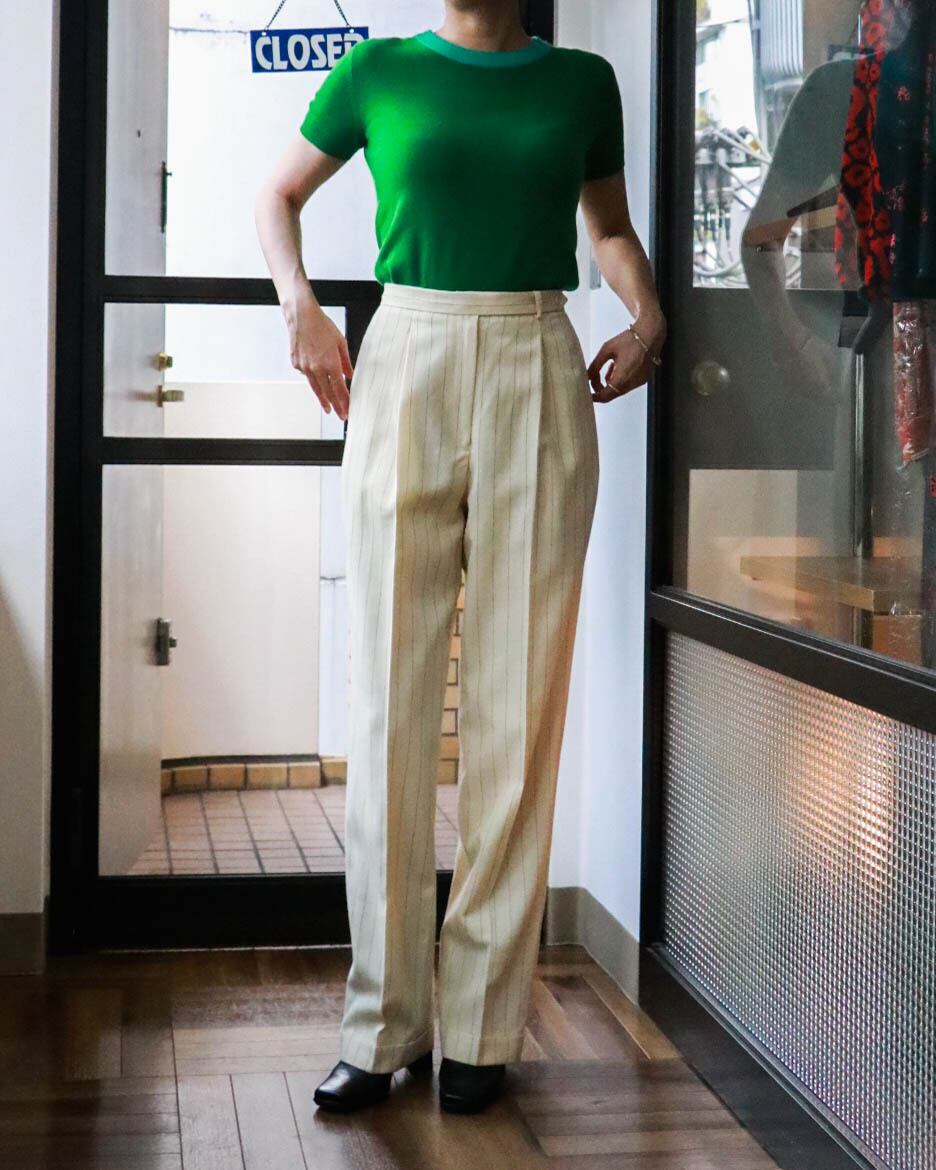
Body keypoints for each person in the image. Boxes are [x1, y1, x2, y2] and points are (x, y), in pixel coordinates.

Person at [254, 0, 665, 1116]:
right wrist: (299, 307)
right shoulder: (376, 71)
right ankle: (382, 1024)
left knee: (515, 710)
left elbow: (609, 231)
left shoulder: (579, 82)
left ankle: (482, 1027)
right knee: (390, 705)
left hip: (538, 352)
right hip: (407, 354)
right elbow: (277, 193)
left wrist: (647, 314)